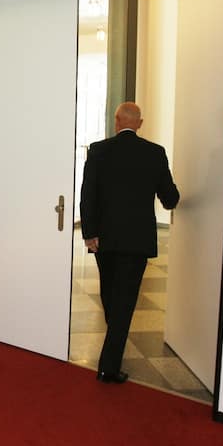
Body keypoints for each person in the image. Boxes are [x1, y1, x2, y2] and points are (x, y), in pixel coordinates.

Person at [80, 102, 180, 384]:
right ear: (140, 123)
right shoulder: (154, 153)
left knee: (111, 296)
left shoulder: (98, 150)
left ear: (116, 121)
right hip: (136, 241)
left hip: (104, 239)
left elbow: (88, 196)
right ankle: (109, 366)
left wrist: (89, 233)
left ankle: (110, 357)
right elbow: (169, 198)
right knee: (123, 301)